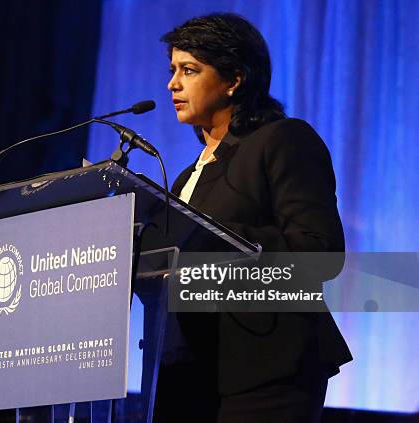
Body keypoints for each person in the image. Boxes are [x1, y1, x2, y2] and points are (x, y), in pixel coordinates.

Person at [153, 13, 352, 422]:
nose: (173, 84)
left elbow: (320, 252)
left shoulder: (283, 139)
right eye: (173, 70)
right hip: (190, 369)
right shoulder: (186, 178)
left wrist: (212, 246)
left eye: (189, 70)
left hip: (267, 365)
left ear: (235, 79)